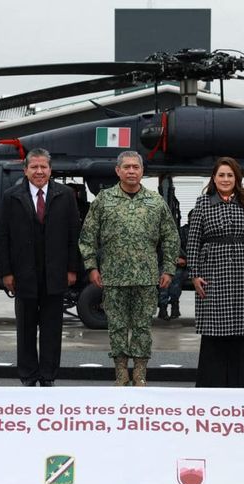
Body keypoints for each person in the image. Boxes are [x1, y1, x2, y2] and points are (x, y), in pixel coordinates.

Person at [79, 151, 179, 386]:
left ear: (142, 171)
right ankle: (121, 372)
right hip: (113, 278)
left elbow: (171, 238)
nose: (131, 171)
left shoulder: (155, 202)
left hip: (146, 278)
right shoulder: (104, 200)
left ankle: (140, 373)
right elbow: (87, 236)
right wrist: (91, 266)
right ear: (118, 171)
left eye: (136, 167)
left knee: (143, 327)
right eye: (127, 167)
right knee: (117, 327)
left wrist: (168, 269)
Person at [0, 148, 81, 386]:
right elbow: (3, 237)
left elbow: (74, 234)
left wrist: (72, 269)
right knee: (25, 327)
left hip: (55, 273)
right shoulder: (12, 196)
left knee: (52, 327)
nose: (39, 171)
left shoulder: (65, 195)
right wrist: (6, 272)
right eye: (34, 167)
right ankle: (28, 374)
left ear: (50, 170)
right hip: (23, 274)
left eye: (43, 167)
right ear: (25, 170)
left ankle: (48, 375)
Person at [186, 157, 244, 388]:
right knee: (214, 330)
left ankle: (241, 385)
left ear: (236, 178)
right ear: (214, 178)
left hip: (243, 270)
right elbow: (193, 240)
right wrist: (194, 273)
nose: (225, 179)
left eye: (230, 175)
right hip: (213, 270)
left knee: (241, 330)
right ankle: (211, 385)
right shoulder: (203, 203)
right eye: (221, 175)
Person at [158, 213, 190, 320]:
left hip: (193, 266)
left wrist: (187, 261)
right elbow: (174, 247)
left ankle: (174, 304)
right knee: (168, 275)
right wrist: (177, 259)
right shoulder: (181, 232)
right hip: (178, 264)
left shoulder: (205, 233)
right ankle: (164, 307)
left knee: (177, 276)